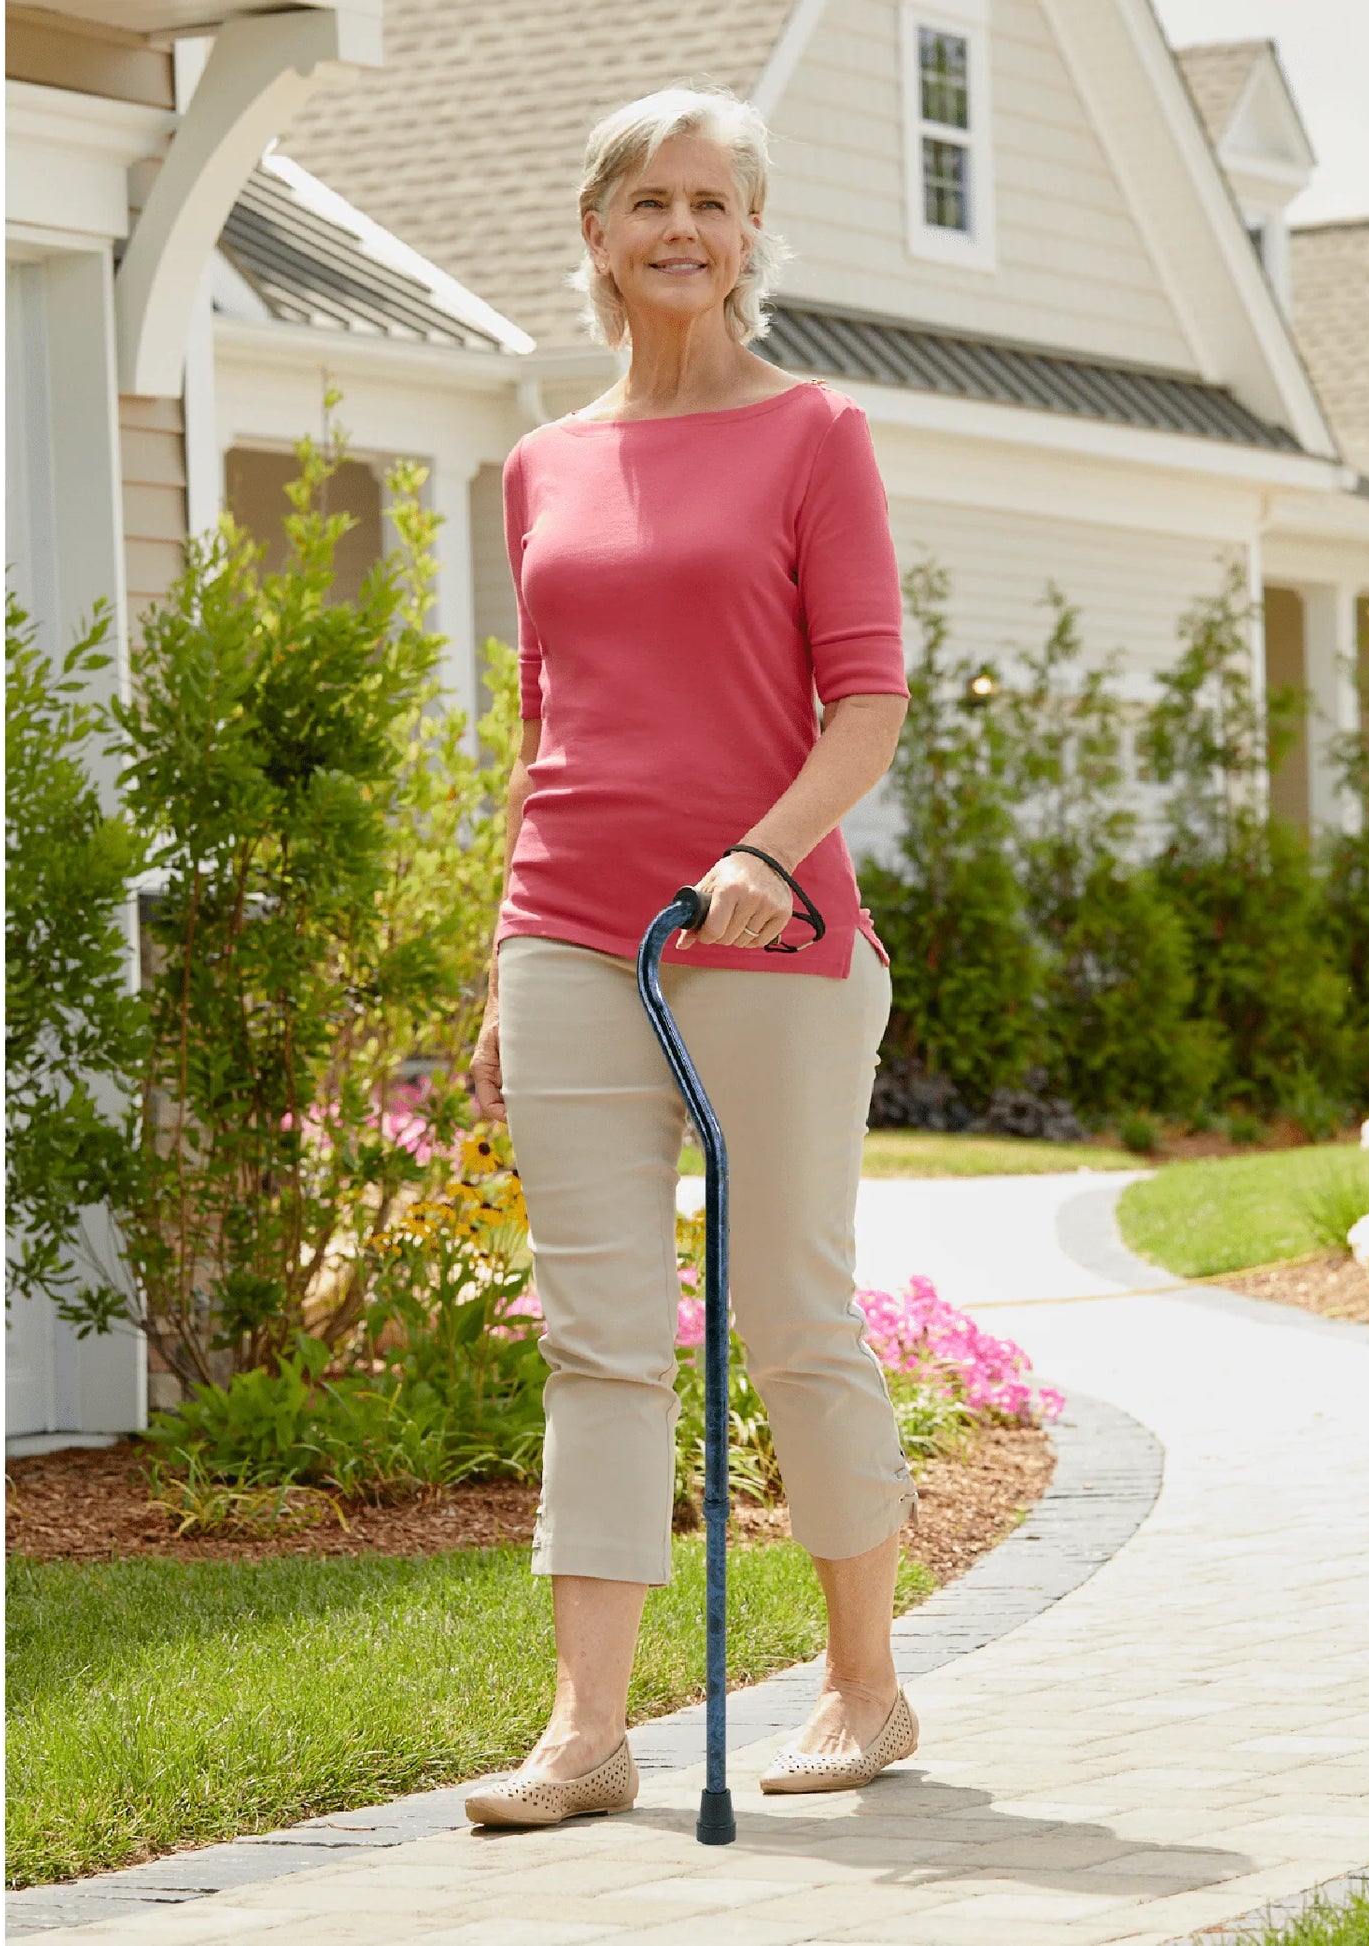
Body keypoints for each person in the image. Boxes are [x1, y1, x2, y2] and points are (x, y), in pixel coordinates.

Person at [460, 85, 921, 1830]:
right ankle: (587, 1731)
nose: (680, 229)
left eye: (711, 204)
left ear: (746, 238)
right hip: (568, 929)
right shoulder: (542, 463)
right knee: (596, 1337)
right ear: (595, 233)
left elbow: (864, 701)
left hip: (766, 935)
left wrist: (759, 846)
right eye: (647, 200)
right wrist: (495, 957)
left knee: (793, 1317)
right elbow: (545, 726)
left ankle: (864, 1689)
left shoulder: (815, 432)